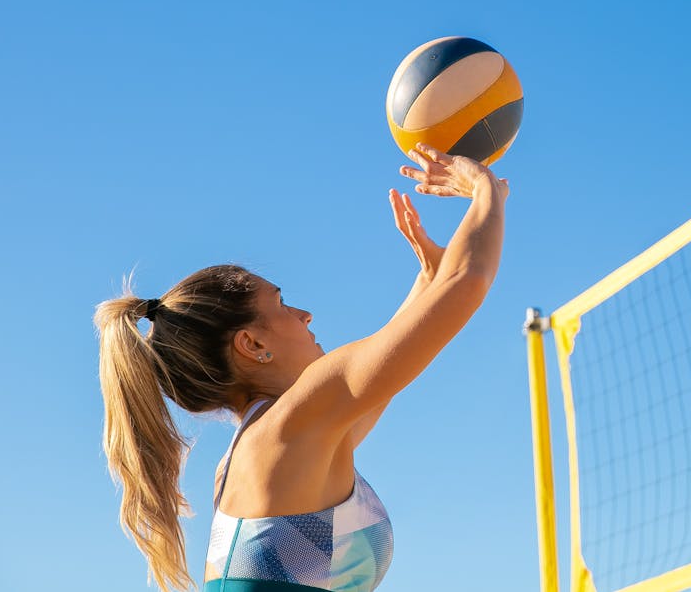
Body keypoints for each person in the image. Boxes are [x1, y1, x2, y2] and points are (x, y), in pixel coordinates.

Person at [94, 144, 508, 591]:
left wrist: (429, 280)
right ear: (252, 343)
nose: (305, 314)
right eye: (281, 304)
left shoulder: (282, 439)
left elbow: (387, 374)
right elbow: (469, 281)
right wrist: (485, 190)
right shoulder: (292, 425)